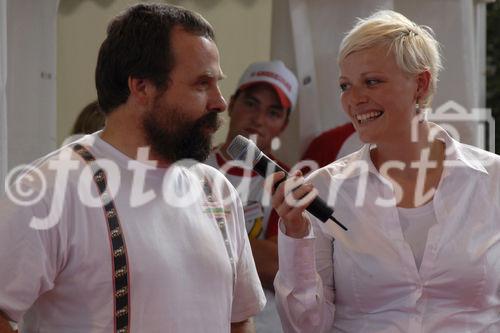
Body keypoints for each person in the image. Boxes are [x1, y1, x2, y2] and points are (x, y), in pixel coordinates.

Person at [0, 4, 265, 332]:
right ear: (141, 87)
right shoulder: (52, 188)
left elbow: (239, 318)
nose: (220, 102)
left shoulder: (216, 188)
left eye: (217, 84)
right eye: (202, 84)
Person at [269, 10, 500, 332]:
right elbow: (304, 326)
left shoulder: (493, 180)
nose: (354, 99)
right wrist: (295, 235)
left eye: (372, 81)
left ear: (421, 84)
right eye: (345, 85)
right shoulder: (321, 189)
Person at [205, 60, 298, 333]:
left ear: (284, 124)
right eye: (251, 104)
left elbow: (276, 266)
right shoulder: (191, 166)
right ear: (232, 104)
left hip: (263, 324)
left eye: (273, 112)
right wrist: (253, 246)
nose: (258, 119)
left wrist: (201, 231)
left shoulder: (286, 181)